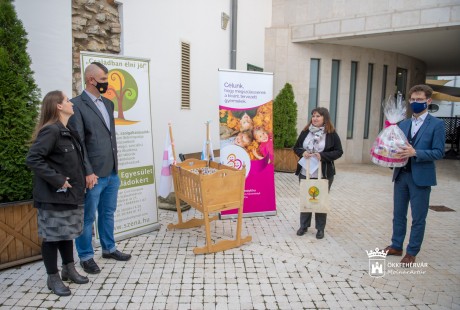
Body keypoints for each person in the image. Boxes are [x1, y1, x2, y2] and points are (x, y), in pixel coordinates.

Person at [69, 62, 131, 275]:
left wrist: (115, 165)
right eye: (103, 79)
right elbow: (79, 143)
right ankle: (86, 256)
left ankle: (109, 248)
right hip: (92, 174)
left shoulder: (109, 103)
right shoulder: (76, 105)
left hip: (112, 171)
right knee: (87, 217)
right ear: (91, 80)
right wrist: (87, 171)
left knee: (108, 212)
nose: (107, 83)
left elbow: (109, 137)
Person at [26, 91, 89, 296]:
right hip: (52, 195)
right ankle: (52, 277)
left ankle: (68, 269)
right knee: (52, 237)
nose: (71, 103)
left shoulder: (67, 130)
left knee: (66, 233)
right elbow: (34, 159)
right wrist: (58, 179)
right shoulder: (51, 131)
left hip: (69, 195)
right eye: (67, 100)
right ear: (58, 106)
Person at [384, 84, 445, 266]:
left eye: (420, 99)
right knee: (398, 214)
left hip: (421, 178)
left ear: (428, 100)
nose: (416, 102)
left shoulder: (437, 125)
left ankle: (412, 252)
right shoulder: (403, 124)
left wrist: (415, 152)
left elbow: (439, 152)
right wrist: (389, 155)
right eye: (413, 100)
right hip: (401, 175)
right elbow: (395, 147)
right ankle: (396, 245)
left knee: (418, 217)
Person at [293, 107, 343, 239]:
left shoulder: (331, 134)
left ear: (324, 118)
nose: (315, 118)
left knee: (321, 200)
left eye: (318, 116)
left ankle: (320, 228)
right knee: (305, 197)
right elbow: (296, 147)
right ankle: (303, 226)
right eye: (313, 116)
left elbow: (339, 151)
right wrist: (302, 152)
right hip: (306, 171)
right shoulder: (305, 132)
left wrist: (322, 156)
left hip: (324, 172)